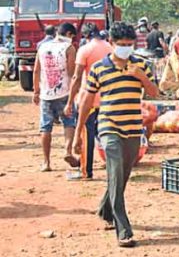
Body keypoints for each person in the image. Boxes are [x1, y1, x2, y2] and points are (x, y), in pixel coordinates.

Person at [76, 22, 158, 248]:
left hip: (132, 127)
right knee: (114, 171)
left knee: (121, 175)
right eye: (121, 45)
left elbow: (154, 92)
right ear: (111, 44)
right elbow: (86, 101)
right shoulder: (99, 68)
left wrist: (141, 76)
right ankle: (123, 228)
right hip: (108, 126)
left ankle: (105, 208)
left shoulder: (141, 64)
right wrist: (78, 133)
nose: (126, 48)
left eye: (130, 45)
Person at [64, 23, 113, 179]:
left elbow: (77, 77)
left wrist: (70, 101)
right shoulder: (110, 48)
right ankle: (114, 170)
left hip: (88, 99)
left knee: (87, 136)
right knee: (107, 134)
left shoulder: (84, 50)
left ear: (85, 36)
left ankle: (86, 171)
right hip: (107, 98)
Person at [33, 22, 78, 172]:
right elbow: (72, 74)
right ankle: (67, 151)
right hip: (64, 92)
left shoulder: (43, 47)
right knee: (69, 122)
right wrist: (74, 94)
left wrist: (36, 92)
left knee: (45, 127)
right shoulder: (69, 48)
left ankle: (46, 162)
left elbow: (36, 71)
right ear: (69, 34)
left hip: (46, 94)